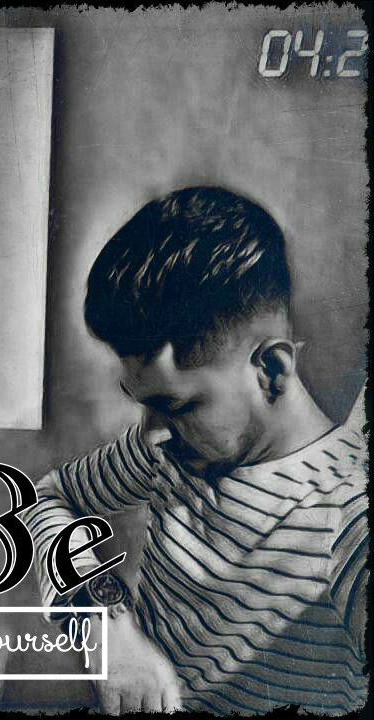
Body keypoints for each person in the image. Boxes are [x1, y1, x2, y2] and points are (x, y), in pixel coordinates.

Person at [24, 187, 368, 715]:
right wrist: (101, 622)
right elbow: (45, 496)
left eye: (177, 405)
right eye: (143, 404)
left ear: (271, 369)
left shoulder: (348, 515)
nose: (150, 433)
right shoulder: (167, 449)